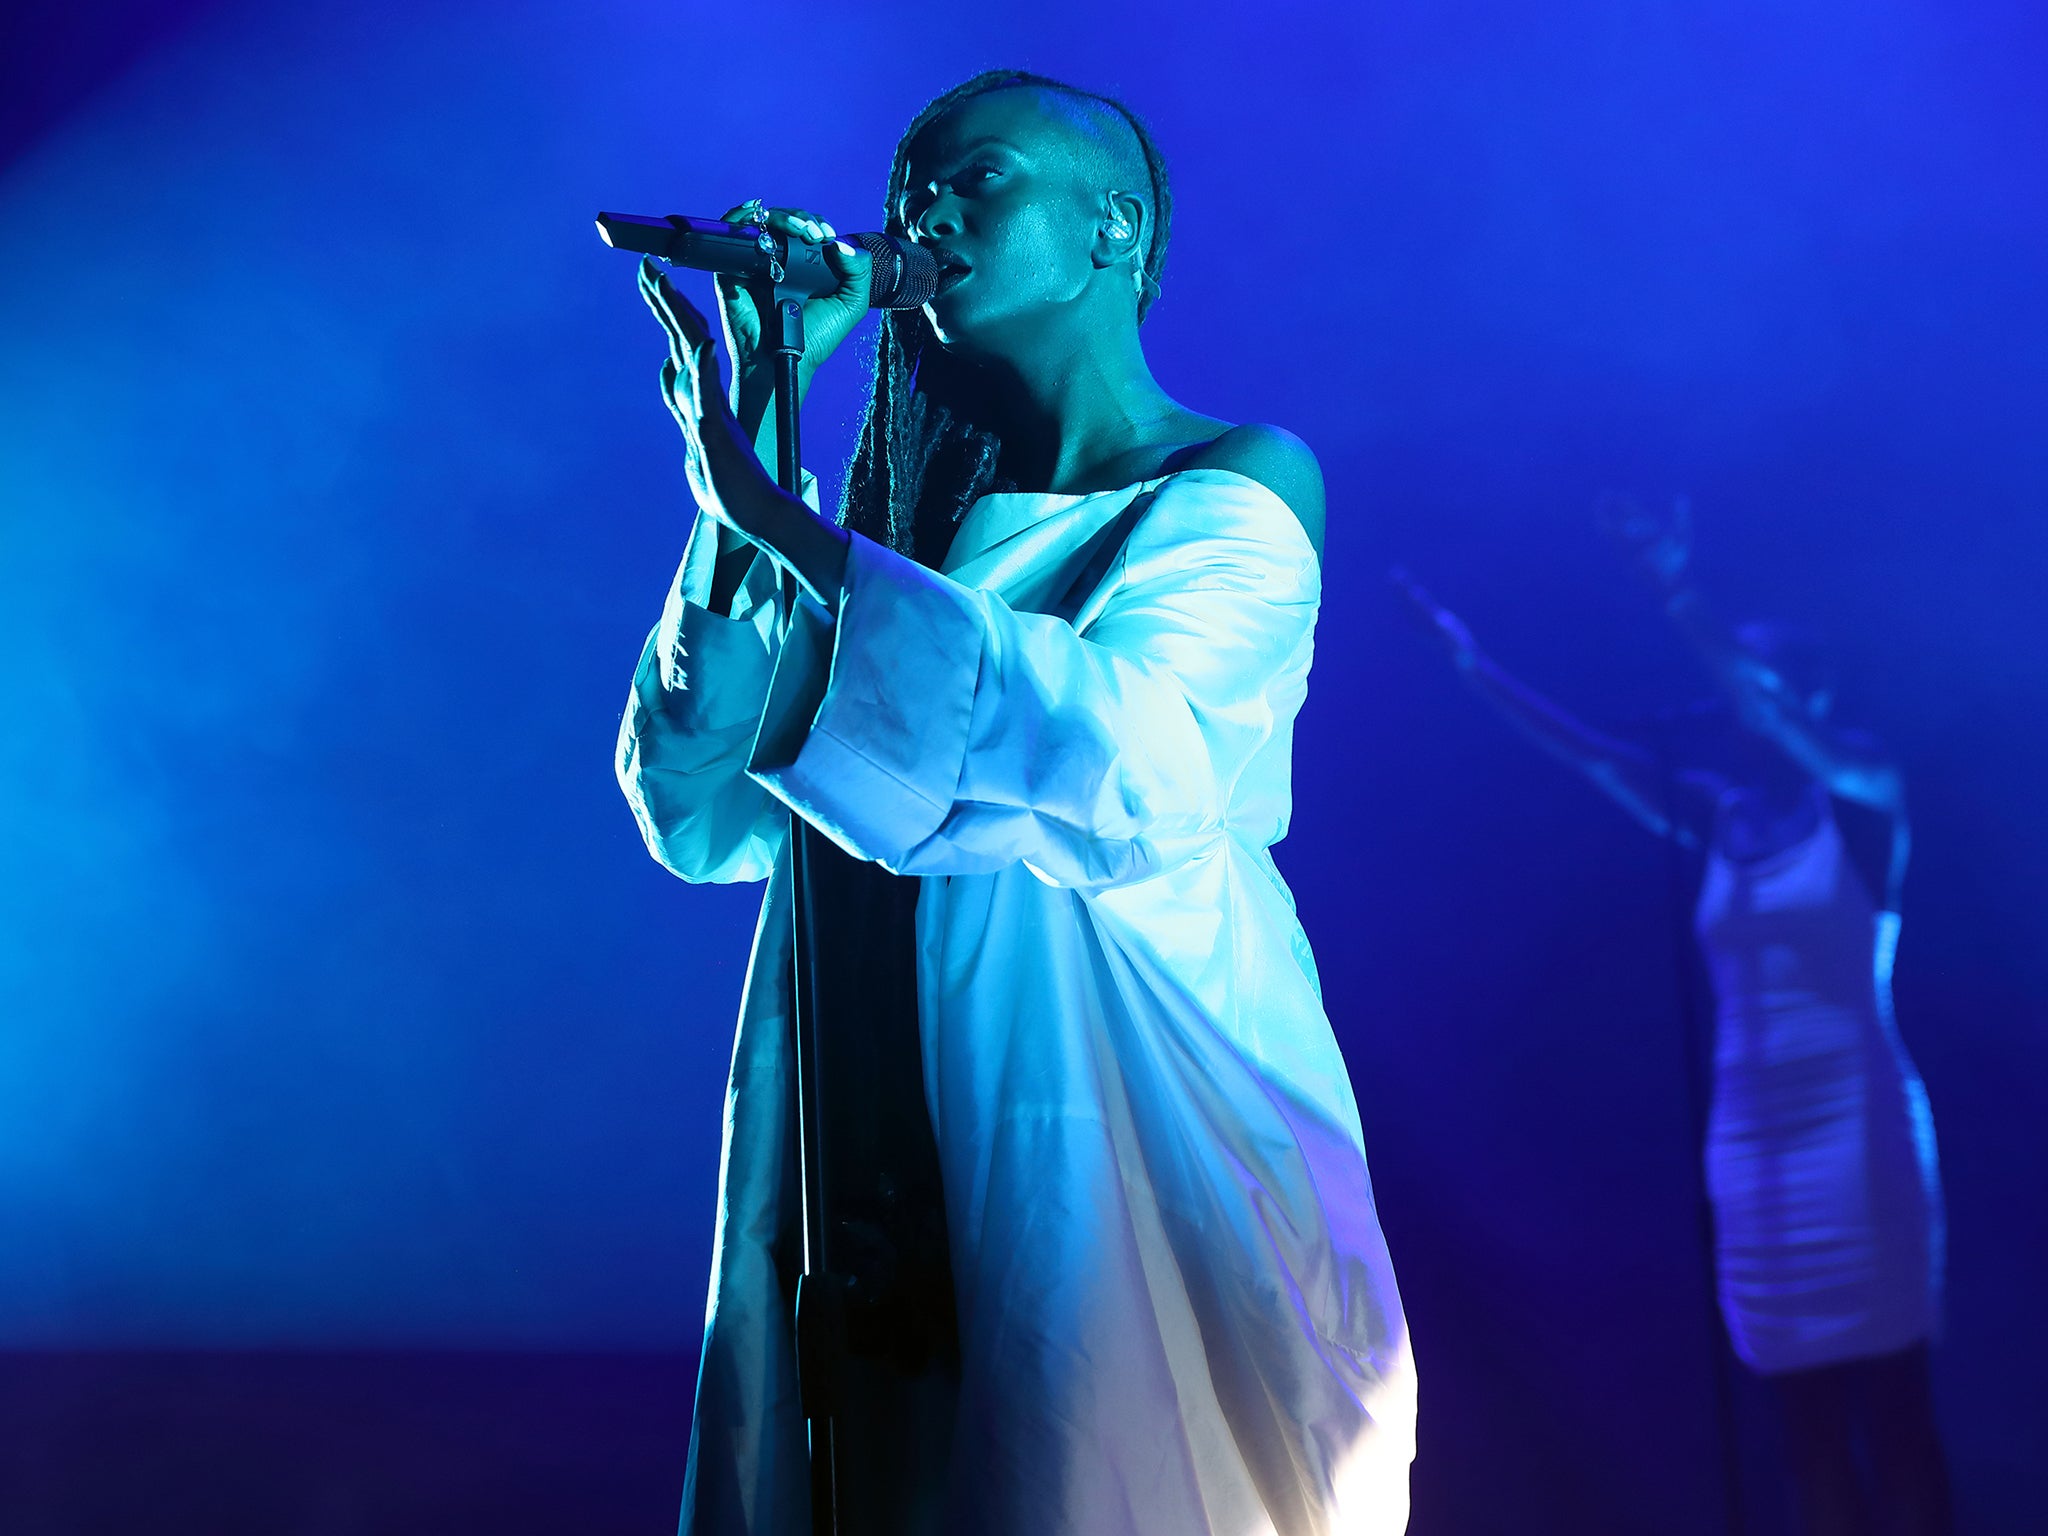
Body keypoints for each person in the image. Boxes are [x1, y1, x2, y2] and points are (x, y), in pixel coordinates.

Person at [615, 70, 1415, 1536]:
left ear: (1113, 225)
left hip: (1103, 1143)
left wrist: (785, 523)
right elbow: (698, 810)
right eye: (910, 186)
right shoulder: (903, 547)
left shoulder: (1228, 482)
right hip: (859, 1187)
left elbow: (1131, 768)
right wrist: (750, 500)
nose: (920, 214)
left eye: (976, 179)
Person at [1397, 499, 1949, 1535]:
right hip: (1751, 1140)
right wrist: (1469, 665)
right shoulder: (1717, 820)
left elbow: (1774, 719)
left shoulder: (1867, 792)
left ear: (1810, 694)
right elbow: (1593, 755)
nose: (1734, 701)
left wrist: (1671, 589)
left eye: (1754, 679)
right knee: (1803, 1423)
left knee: (1893, 1408)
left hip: (1856, 1130)